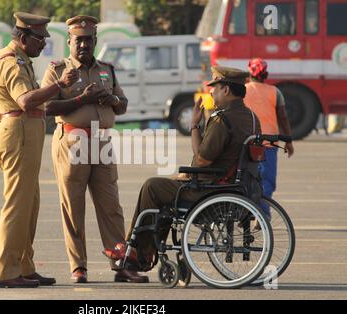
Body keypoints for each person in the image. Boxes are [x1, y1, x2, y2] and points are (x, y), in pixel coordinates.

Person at [104, 66, 261, 272]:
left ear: (226, 90)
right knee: (168, 188)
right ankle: (146, 249)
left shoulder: (222, 119)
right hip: (238, 187)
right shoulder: (252, 118)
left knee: (152, 187)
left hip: (209, 190)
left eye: (215, 87)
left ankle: (138, 250)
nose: (211, 92)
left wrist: (195, 126)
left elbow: (203, 159)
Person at [41, 15, 147, 283]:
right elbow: (46, 107)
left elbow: (122, 105)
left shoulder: (107, 70)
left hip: (102, 142)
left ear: (95, 41)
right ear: (69, 42)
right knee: (73, 207)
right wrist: (81, 98)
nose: (84, 45)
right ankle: (79, 266)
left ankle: (120, 263)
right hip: (72, 142)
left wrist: (111, 98)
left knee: (110, 205)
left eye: (88, 40)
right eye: (79, 41)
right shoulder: (58, 70)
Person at [0, 12, 79, 288]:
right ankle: (5, 271)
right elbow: (26, 100)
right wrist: (59, 85)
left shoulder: (19, 59)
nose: (44, 44)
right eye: (40, 39)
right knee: (17, 205)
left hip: (23, 135)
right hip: (18, 135)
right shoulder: (12, 63)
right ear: (24, 37)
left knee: (30, 204)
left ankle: (23, 265)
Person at [244, 58, 294, 221]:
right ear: (266, 74)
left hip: (248, 143)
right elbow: (283, 117)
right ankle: (263, 215)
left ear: (249, 74)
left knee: (246, 178)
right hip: (269, 144)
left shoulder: (243, 90)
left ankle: (248, 211)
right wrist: (288, 141)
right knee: (266, 182)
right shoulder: (275, 92)